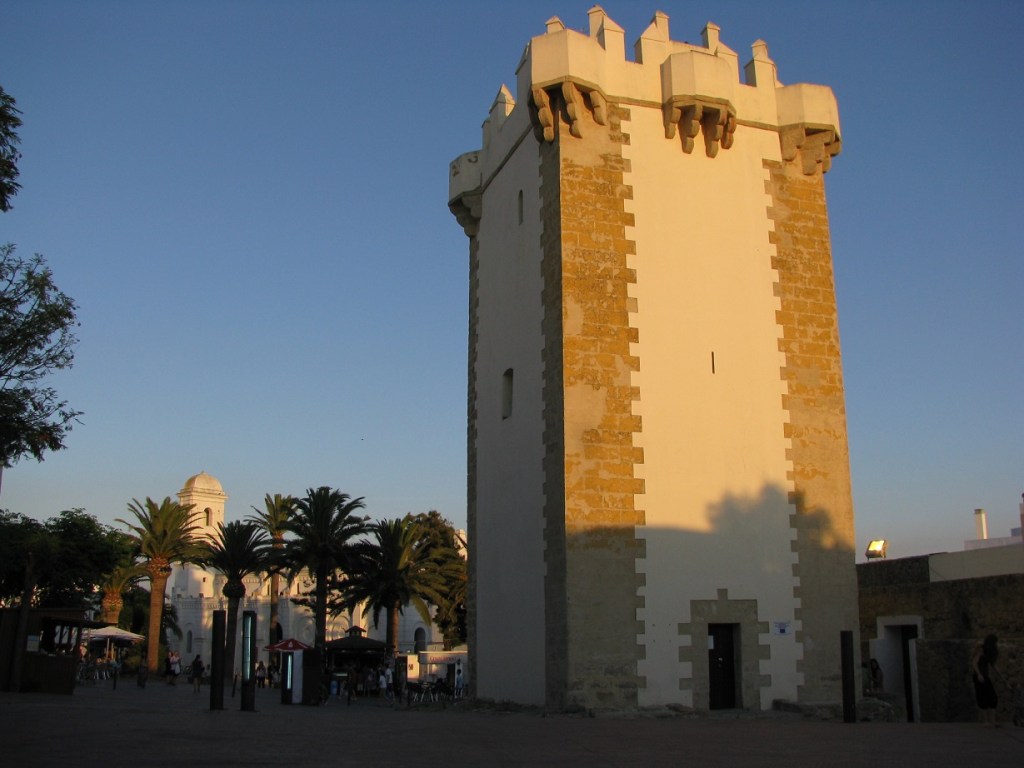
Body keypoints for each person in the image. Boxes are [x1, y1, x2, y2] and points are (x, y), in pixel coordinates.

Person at [972, 634, 1001, 726]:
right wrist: (979, 674)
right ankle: (985, 721)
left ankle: (992, 720)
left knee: (993, 697)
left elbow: (993, 664)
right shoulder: (982, 649)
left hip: (985, 675)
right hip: (979, 676)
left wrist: (1000, 675)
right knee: (982, 697)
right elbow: (974, 663)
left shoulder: (990, 652)